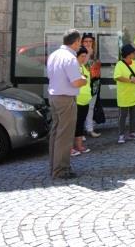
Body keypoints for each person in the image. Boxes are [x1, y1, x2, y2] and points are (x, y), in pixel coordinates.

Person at [46, 29, 87, 179]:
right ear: (76, 41)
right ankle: (61, 170)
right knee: (64, 135)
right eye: (80, 42)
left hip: (54, 96)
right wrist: (85, 79)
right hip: (65, 99)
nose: (80, 45)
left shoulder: (54, 55)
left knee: (56, 133)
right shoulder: (70, 58)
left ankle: (54, 167)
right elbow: (76, 82)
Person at [114, 44, 135, 144]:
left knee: (133, 115)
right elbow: (117, 76)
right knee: (122, 116)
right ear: (128, 54)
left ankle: (132, 132)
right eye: (133, 52)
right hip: (124, 95)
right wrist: (130, 80)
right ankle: (121, 135)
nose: (134, 54)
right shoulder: (119, 64)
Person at [71, 46, 92, 156]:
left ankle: (79, 146)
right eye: (82, 56)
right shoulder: (73, 68)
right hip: (76, 100)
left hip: (85, 100)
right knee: (72, 125)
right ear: (76, 57)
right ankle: (69, 148)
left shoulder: (83, 67)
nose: (84, 58)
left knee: (80, 124)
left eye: (85, 56)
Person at [81, 33, 101, 138]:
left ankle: (90, 129)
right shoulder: (80, 52)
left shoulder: (95, 53)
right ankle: (80, 132)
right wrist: (88, 54)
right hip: (83, 85)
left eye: (90, 42)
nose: (88, 43)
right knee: (82, 108)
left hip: (94, 83)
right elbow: (81, 64)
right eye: (86, 41)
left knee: (91, 108)